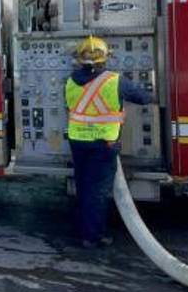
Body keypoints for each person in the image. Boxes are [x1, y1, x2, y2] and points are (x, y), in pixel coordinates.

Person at [65, 35, 153, 249]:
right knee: (97, 191)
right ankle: (93, 236)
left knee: (84, 187)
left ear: (79, 59)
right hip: (103, 144)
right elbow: (143, 98)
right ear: (105, 59)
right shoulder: (115, 81)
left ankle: (84, 230)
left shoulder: (70, 81)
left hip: (78, 142)